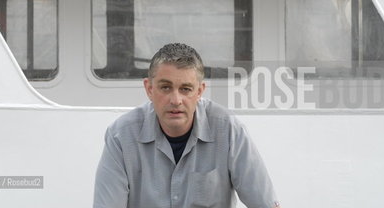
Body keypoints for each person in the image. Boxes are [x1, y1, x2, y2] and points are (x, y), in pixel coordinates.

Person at [93, 43, 280, 208]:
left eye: (186, 89)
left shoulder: (228, 131)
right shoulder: (121, 136)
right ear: (149, 89)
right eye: (165, 87)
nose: (176, 100)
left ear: (200, 91)